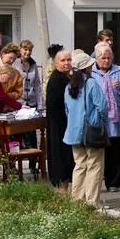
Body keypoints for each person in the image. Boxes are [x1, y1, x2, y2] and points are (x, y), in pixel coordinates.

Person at [63, 52, 110, 212]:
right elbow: (102, 107)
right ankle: (92, 202)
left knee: (80, 166)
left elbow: (67, 110)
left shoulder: (69, 87)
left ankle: (77, 200)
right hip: (91, 132)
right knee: (95, 166)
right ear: (86, 67)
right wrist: (98, 122)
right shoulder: (91, 83)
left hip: (73, 133)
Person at [91, 44, 120, 192]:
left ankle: (113, 183)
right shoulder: (91, 73)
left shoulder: (119, 71)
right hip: (99, 119)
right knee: (100, 153)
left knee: (115, 151)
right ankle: (98, 182)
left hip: (115, 118)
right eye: (103, 58)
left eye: (108, 58)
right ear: (97, 58)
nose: (106, 61)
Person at [46, 49, 74, 192]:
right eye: (63, 61)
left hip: (65, 125)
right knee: (61, 160)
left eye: (68, 60)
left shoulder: (66, 78)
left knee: (67, 160)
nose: (66, 63)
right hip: (59, 127)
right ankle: (61, 191)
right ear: (56, 63)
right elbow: (54, 106)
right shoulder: (57, 80)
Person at [13, 40, 42, 111]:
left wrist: (40, 105)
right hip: (19, 102)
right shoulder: (14, 63)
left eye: (30, 50)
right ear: (20, 49)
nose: (28, 52)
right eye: (25, 49)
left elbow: (37, 85)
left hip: (32, 102)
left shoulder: (33, 64)